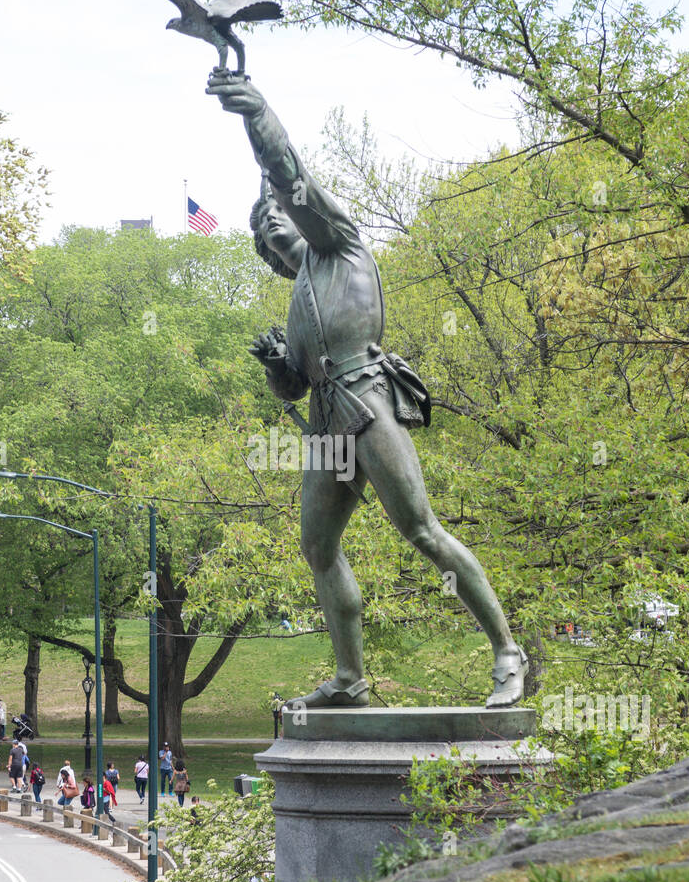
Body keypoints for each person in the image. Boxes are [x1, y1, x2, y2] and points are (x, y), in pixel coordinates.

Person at [207, 71, 528, 709]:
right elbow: (292, 391)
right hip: (326, 419)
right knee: (318, 547)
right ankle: (351, 678)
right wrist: (278, 366)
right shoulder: (302, 297)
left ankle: (506, 651)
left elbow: (291, 178)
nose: (271, 239)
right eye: (263, 238)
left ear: (297, 221)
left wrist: (259, 115)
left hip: (366, 398)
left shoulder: (341, 245)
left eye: (275, 226)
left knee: (420, 529)